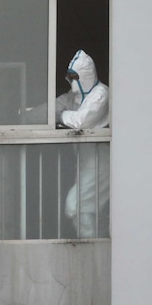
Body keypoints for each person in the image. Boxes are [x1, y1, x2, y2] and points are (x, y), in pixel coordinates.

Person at [55, 50, 110, 238]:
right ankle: (96, 241)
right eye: (69, 76)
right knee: (92, 208)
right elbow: (55, 106)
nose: (71, 81)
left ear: (85, 75)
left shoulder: (100, 94)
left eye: (75, 76)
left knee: (76, 205)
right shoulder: (76, 97)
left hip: (100, 158)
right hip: (85, 158)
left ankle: (90, 245)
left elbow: (80, 121)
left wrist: (60, 116)